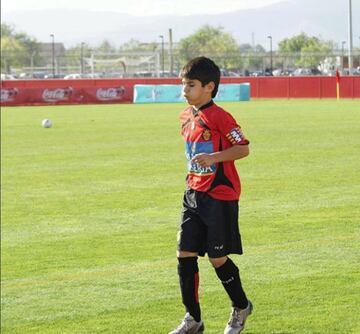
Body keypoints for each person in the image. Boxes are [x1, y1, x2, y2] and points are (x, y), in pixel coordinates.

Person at [169, 57, 252, 334]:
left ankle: (241, 307)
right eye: (183, 84)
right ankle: (193, 319)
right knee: (184, 253)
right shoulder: (186, 116)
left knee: (218, 259)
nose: (184, 90)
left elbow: (242, 148)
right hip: (193, 193)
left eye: (190, 85)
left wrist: (214, 157)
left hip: (219, 195)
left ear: (209, 87)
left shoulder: (221, 116)